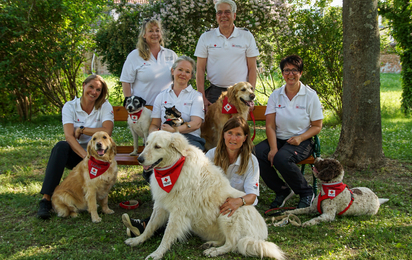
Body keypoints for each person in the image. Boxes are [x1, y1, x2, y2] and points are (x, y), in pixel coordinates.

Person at [122, 116, 260, 237]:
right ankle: (146, 226)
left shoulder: (251, 161)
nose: (233, 138)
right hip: (209, 200)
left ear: (245, 138)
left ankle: (146, 227)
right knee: (179, 206)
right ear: (223, 134)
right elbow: (196, 176)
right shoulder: (212, 154)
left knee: (181, 211)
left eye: (238, 134)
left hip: (234, 204)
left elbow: (252, 196)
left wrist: (237, 202)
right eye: (230, 133)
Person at [37, 75, 114, 219]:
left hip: (100, 154)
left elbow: (107, 131)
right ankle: (46, 199)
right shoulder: (70, 106)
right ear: (84, 85)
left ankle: (97, 198)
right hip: (79, 154)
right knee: (61, 146)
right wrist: (86, 156)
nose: (94, 92)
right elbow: (69, 136)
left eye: (98, 89)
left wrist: (82, 130)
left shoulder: (105, 105)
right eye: (91, 87)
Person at [255, 55, 323, 210]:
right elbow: (270, 126)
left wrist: (300, 138)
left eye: (294, 70)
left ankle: (306, 192)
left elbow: (317, 126)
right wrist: (272, 148)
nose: (290, 74)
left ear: (301, 73)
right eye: (286, 70)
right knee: (257, 153)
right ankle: (282, 190)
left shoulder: (310, 95)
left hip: (302, 140)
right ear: (282, 73)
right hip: (279, 138)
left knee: (282, 158)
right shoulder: (276, 94)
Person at [194, 0, 259, 109]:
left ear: (234, 15)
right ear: (216, 16)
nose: (223, 15)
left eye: (227, 12)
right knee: (213, 126)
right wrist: (202, 97)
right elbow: (200, 69)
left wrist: (250, 94)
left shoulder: (246, 36)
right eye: (219, 13)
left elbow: (252, 68)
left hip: (239, 93)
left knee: (238, 125)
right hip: (214, 93)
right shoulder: (206, 37)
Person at [149, 55, 205, 150]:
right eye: (180, 69)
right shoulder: (161, 96)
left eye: (187, 72)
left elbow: (196, 123)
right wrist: (154, 135)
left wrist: (174, 130)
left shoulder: (196, 96)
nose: (183, 74)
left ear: (191, 76)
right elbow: (154, 124)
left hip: (190, 139)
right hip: (165, 138)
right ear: (172, 71)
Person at [120, 18, 178, 105]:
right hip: (144, 111)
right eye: (150, 31)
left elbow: (179, 80)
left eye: (157, 30)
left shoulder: (171, 55)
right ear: (144, 34)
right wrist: (129, 104)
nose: (155, 33)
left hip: (167, 109)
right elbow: (126, 81)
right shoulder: (135, 55)